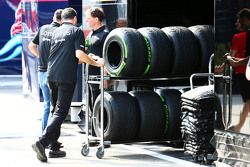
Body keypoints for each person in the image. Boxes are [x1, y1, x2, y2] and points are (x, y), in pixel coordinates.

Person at [31, 7, 104, 162]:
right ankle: (42, 142)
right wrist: (97, 64)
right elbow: (78, 55)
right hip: (65, 77)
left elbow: (69, 55)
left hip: (51, 75)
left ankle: (53, 148)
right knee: (61, 112)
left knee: (54, 110)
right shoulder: (76, 31)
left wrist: (87, 57)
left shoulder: (55, 31)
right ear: (75, 19)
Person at [28, 9, 62, 133]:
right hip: (54, 73)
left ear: (53, 17)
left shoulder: (43, 29)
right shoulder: (61, 32)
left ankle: (44, 133)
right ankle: (50, 135)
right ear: (63, 20)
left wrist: (40, 56)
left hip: (42, 71)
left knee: (47, 105)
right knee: (56, 106)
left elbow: (31, 46)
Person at [225, 8, 250, 132]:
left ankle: (238, 127)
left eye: (238, 21)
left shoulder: (238, 37)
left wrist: (230, 60)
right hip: (244, 71)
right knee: (248, 102)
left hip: (242, 73)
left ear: (245, 20)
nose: (236, 23)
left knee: (247, 101)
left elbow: (232, 55)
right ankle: (238, 127)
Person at [85, 7, 109, 110]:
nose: (86, 20)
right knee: (91, 104)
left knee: (99, 105)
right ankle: (93, 125)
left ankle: (100, 125)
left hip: (100, 77)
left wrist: (106, 75)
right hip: (90, 75)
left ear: (96, 19)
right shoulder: (90, 34)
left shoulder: (105, 34)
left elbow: (109, 56)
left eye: (88, 18)